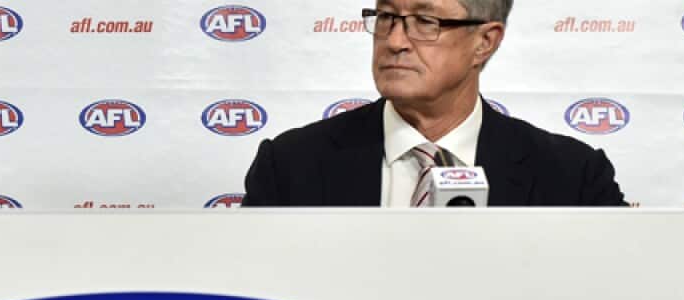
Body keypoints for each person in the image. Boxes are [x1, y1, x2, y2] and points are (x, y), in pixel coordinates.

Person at [243, 0, 625, 207]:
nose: (395, 41)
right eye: (387, 17)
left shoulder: (572, 177)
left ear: (485, 42)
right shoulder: (291, 165)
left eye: (426, 21)